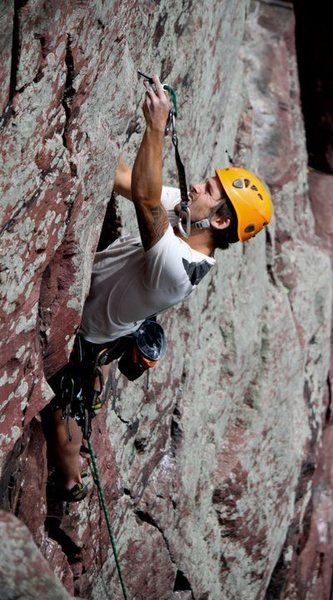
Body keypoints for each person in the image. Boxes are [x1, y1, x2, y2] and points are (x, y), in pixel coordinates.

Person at [46, 75, 273, 501]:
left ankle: (72, 485)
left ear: (220, 221)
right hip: (110, 321)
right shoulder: (188, 217)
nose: (196, 188)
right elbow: (131, 183)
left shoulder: (180, 268)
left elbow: (149, 201)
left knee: (63, 420)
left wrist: (154, 128)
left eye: (207, 190)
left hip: (90, 335)